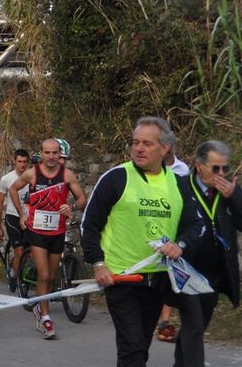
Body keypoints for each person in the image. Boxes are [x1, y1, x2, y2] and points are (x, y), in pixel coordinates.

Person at [81, 116, 203, 366]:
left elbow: (196, 225)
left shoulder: (179, 184)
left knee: (141, 347)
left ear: (165, 148)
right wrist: (98, 264)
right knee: (133, 348)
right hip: (122, 279)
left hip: (158, 279)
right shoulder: (116, 178)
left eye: (147, 143)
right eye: (135, 142)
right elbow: (89, 225)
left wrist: (179, 245)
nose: (138, 148)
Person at [170, 140, 241, 367]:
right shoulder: (180, 186)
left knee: (197, 326)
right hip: (187, 268)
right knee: (194, 322)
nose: (221, 174)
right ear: (199, 165)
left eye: (225, 169)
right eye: (215, 168)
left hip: (214, 273)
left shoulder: (228, 191)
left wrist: (234, 196)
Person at [9, 138, 86, 339]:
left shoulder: (67, 174)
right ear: (41, 154)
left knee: (52, 276)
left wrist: (72, 207)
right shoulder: (32, 173)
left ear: (60, 154)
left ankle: (40, 309)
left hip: (57, 231)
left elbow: (82, 199)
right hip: (37, 231)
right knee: (43, 275)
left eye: (55, 153)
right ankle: (45, 317)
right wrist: (22, 214)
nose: (51, 156)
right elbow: (13, 189)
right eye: (47, 152)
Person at [157, 135, 190, 342]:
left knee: (173, 273)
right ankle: (162, 321)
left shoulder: (182, 170)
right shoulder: (149, 169)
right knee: (161, 273)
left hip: (175, 226)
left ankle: (165, 322)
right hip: (156, 224)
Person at [0, 149, 30, 292]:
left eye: (24, 162)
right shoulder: (7, 179)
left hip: (30, 218)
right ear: (14, 161)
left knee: (30, 252)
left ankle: (17, 268)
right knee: (19, 250)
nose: (22, 165)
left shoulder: (33, 176)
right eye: (19, 162)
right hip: (12, 217)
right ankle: (15, 276)